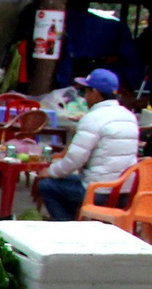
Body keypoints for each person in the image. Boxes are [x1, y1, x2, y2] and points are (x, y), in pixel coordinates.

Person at [38, 68, 140, 220]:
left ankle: (67, 227)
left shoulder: (93, 118)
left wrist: (51, 171)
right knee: (68, 182)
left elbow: (74, 160)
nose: (84, 97)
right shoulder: (129, 115)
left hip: (99, 193)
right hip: (125, 191)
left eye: (85, 91)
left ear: (95, 92)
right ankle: (78, 220)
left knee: (46, 185)